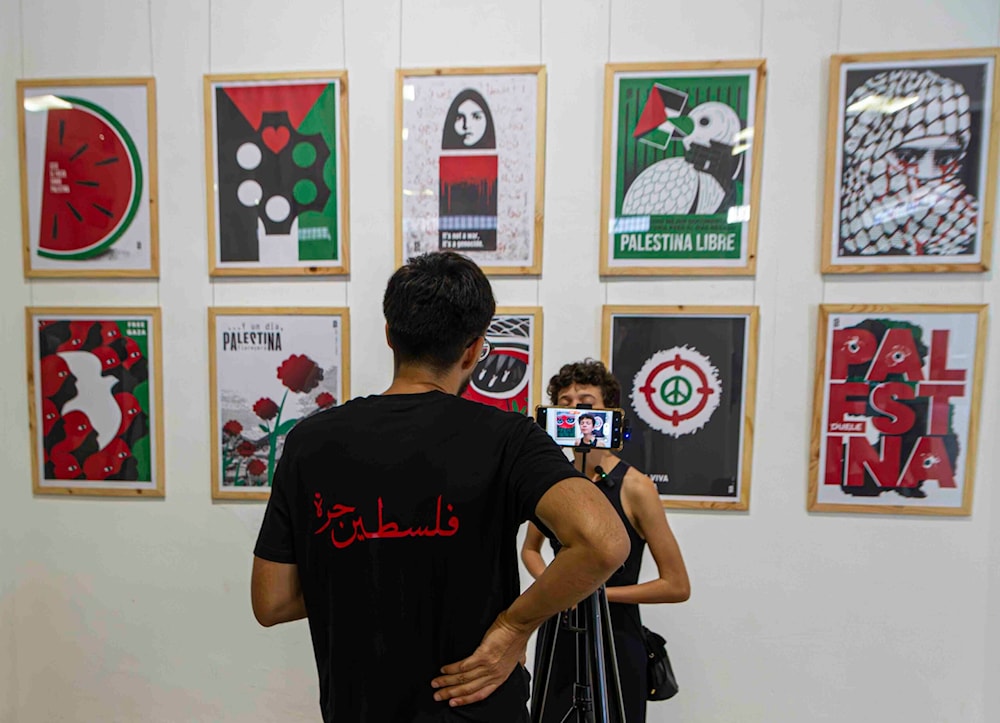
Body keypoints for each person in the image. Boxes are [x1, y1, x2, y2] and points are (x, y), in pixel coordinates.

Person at [251, 253, 629, 723]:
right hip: (474, 706)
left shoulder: (308, 442)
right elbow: (603, 540)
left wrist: (366, 571)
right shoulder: (507, 438)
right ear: (473, 349)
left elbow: (272, 601)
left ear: (390, 335)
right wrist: (514, 627)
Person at [522, 359, 691, 723]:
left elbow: (676, 585)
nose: (574, 409)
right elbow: (530, 549)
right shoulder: (553, 478)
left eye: (585, 401)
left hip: (616, 637)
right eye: (564, 402)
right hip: (560, 630)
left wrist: (593, 594)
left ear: (610, 414)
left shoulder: (636, 487)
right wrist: (555, 591)